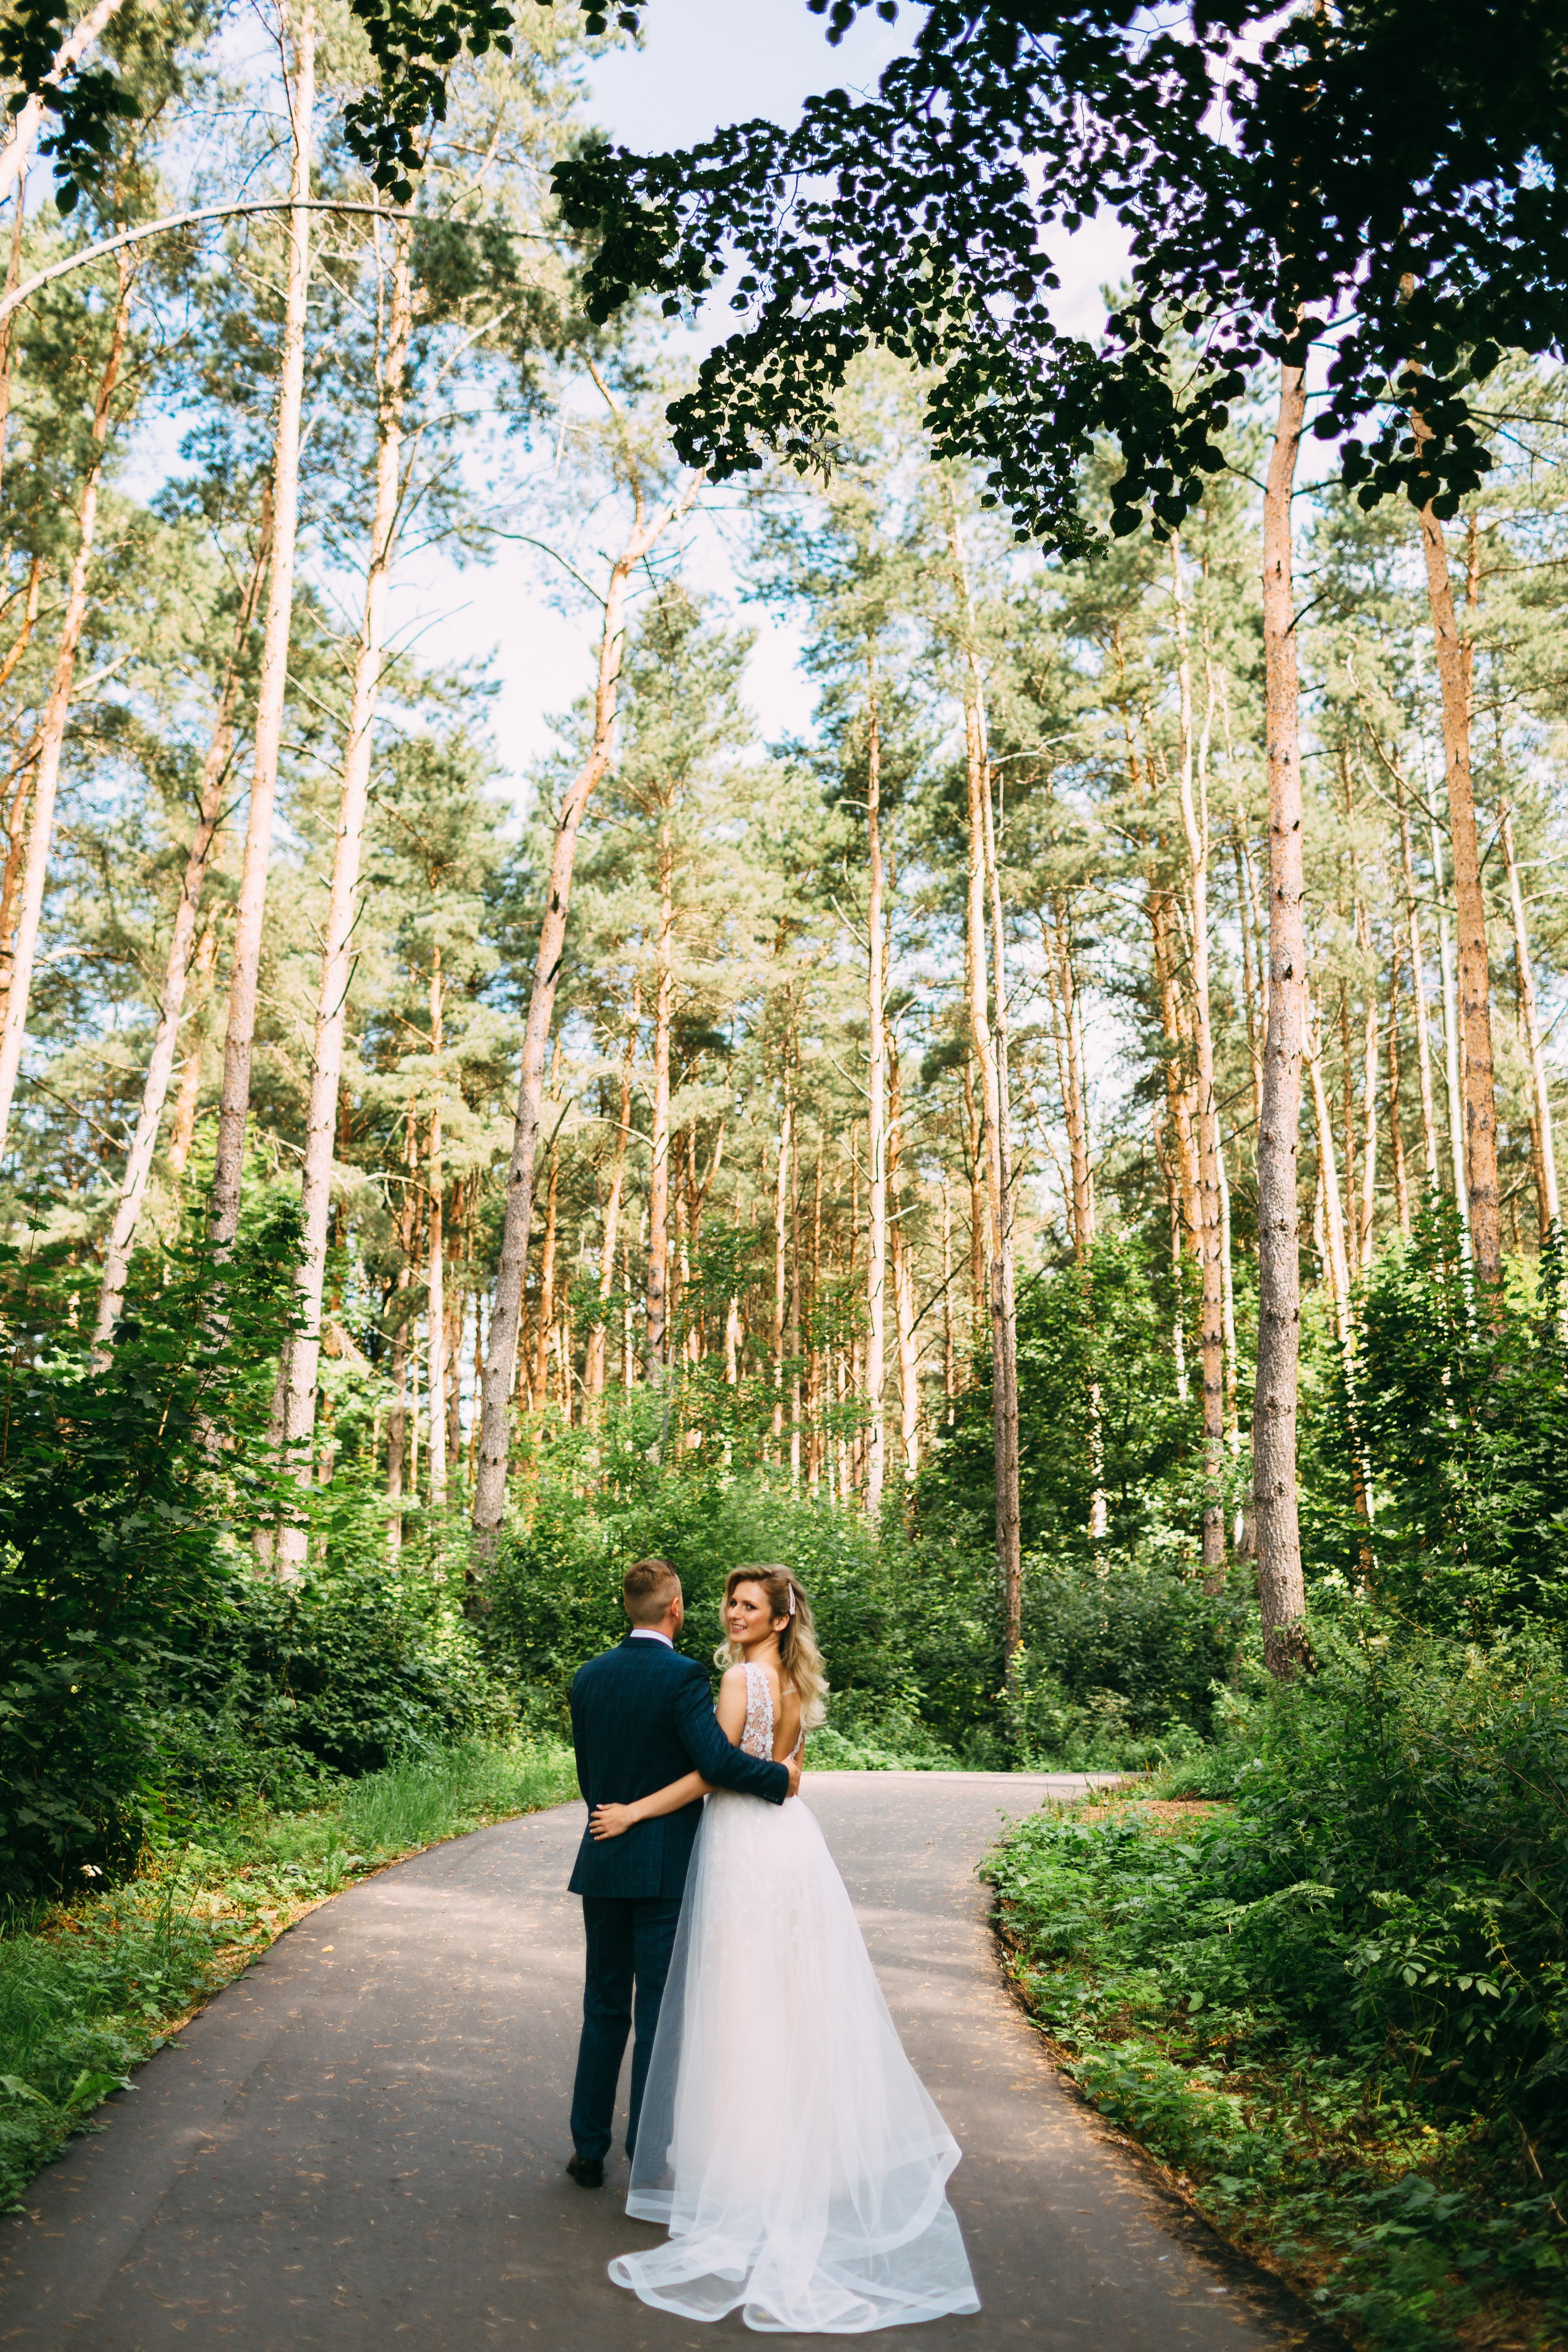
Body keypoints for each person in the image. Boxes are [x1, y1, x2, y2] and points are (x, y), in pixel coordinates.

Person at [588, 1566, 981, 2335]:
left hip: (742, 1846)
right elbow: (790, 1771)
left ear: (775, 1619)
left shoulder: (739, 1682)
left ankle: (742, 2171)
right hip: (791, 1847)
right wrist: (779, 1776)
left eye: (747, 1606)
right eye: (730, 1603)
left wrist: (632, 1810)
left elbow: (711, 1775)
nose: (732, 1614)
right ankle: (790, 2158)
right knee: (784, 2000)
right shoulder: (795, 1683)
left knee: (739, 2004)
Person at [565, 1557, 799, 2190]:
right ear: (676, 1609)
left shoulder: (586, 1678)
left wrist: (615, 1815)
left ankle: (588, 2149)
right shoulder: (684, 1677)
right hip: (665, 1866)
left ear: (628, 1607)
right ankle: (646, 2149)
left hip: (603, 1855)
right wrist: (780, 1778)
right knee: (661, 2013)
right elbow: (717, 1761)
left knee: (603, 2006)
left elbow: (590, 1776)